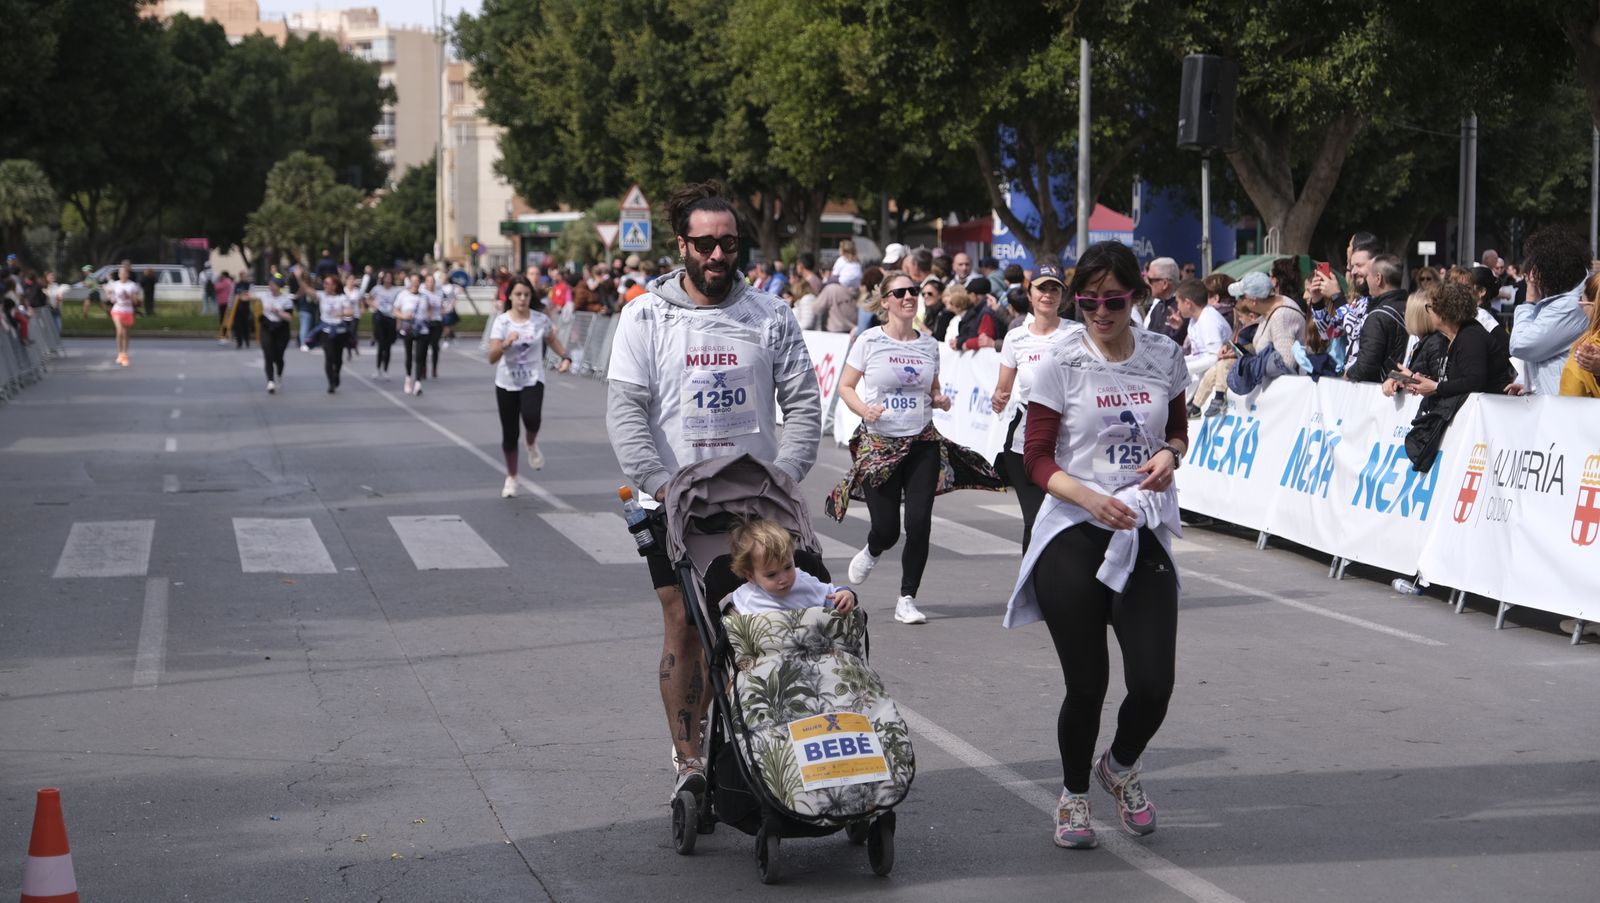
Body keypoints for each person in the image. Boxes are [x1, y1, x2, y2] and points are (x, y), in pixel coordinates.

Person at [605, 180, 820, 799]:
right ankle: (690, 761)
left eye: (729, 243)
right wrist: (659, 483)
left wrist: (788, 473)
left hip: (755, 504)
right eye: (706, 244)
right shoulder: (646, 314)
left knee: (774, 625)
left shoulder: (770, 316)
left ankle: (773, 749)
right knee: (687, 627)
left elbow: (803, 405)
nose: (719, 255)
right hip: (675, 505)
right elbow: (626, 411)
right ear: (682, 245)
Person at [1003, 240, 1189, 850]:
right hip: (1074, 529)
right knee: (1086, 683)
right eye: (1088, 302)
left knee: (1154, 682)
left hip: (1140, 524)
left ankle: (1121, 765)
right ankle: (1074, 795)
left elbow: (1180, 429)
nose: (1100, 313)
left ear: (1135, 296)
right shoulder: (1058, 359)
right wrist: (1087, 499)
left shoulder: (1163, 353)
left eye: (1112, 301)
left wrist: (1169, 455)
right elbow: (1033, 458)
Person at [827, 270, 1003, 625]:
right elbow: (846, 386)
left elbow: (931, 389)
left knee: (920, 522)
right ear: (886, 301)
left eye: (914, 291)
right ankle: (874, 547)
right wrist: (865, 410)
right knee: (888, 528)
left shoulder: (927, 344)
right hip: (880, 445)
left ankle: (907, 598)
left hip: (922, 441)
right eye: (901, 292)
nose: (910, 297)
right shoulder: (869, 341)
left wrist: (939, 400)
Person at [991, 263, 1082, 549]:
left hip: (1069, 440)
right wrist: (998, 398)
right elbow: (1003, 388)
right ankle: (1030, 587)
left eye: (1054, 288)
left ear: (1062, 297)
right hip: (1025, 441)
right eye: (1042, 288)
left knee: (1067, 520)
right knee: (1036, 518)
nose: (1048, 294)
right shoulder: (1016, 337)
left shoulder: (1077, 333)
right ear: (1029, 294)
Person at [487, 276, 572, 497]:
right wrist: (506, 343)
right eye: (518, 294)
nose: (522, 299)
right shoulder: (502, 322)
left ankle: (531, 444)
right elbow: (492, 357)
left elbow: (551, 339)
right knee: (510, 433)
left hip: (533, 378)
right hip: (506, 382)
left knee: (532, 417)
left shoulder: (539, 320)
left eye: (526, 295)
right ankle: (512, 478)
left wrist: (565, 356)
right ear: (510, 297)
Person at [1506, 225, 1590, 396]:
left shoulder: (1572, 305)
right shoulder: (1566, 297)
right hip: (1554, 401)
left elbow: (1522, 345)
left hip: (1563, 406)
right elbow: (1548, 352)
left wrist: (1528, 301)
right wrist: (1525, 382)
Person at [1396, 281, 1513, 400]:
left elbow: (1474, 381)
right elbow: (1452, 380)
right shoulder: (1447, 338)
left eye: (1429, 307)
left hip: (1487, 412)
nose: (1427, 312)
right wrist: (1425, 381)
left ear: (1443, 313)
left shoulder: (1471, 336)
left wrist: (1436, 387)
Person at [722, 518, 857, 616]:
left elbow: (831, 594)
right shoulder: (746, 597)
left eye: (787, 567)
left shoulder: (803, 581)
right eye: (771, 575)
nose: (784, 578)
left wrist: (846, 594)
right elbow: (726, 616)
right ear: (751, 576)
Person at [1344, 253, 1408, 382]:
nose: (1366, 280)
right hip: (1406, 389)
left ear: (1378, 278)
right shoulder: (1412, 309)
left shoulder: (1377, 317)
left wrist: (1348, 374)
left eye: (1368, 276)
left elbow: (1365, 368)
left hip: (1383, 394)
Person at [1174, 277, 1231, 407]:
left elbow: (1216, 357)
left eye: (1178, 302)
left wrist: (1185, 367)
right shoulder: (1194, 321)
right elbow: (1198, 355)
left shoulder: (1208, 321)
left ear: (1188, 303)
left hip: (1213, 383)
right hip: (1199, 379)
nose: (1177, 307)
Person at [1381, 290, 1447, 398]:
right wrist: (1395, 379)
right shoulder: (1423, 343)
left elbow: (1438, 383)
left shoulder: (1435, 343)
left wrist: (1410, 377)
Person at [1560, 272, 1600, 397]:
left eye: (1581, 300)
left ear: (1594, 305)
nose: (1580, 306)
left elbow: (1569, 406)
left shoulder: (1585, 354)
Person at [254, 277, 294, 394]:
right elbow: (251, 296)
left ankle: (279, 372)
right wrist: (243, 296)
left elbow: (290, 317)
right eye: (270, 285)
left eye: (273, 285)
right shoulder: (265, 295)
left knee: (278, 355)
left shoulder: (286, 299)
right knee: (268, 353)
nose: (271, 287)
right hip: (267, 327)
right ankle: (270, 381)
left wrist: (277, 311)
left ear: (279, 286)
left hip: (281, 329)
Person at [314, 275, 353, 394]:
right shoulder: (322, 295)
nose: (325, 285)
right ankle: (331, 383)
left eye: (327, 283)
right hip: (326, 331)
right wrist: (299, 278)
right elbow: (308, 290)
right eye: (324, 283)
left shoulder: (342, 297)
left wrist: (341, 313)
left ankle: (336, 374)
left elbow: (350, 311)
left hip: (339, 332)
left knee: (338, 359)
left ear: (334, 285)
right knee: (329, 357)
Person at [395, 273, 431, 397]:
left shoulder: (424, 297)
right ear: (409, 282)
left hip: (422, 329)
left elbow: (430, 309)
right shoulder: (403, 295)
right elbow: (395, 310)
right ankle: (408, 377)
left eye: (417, 281)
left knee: (420, 357)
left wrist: (427, 318)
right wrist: (403, 317)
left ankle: (418, 382)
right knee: (409, 355)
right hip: (408, 329)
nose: (415, 283)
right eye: (413, 280)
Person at [1141, 257, 1186, 344]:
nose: (1146, 283)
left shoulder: (1184, 306)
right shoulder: (1158, 306)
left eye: (1150, 280)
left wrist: (1179, 330)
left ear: (1164, 283)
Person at [104, 262, 140, 366]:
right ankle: (120, 353)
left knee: (126, 334)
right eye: (120, 273)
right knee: (119, 331)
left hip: (128, 310)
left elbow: (135, 301)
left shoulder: (132, 285)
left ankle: (124, 354)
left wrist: (128, 295)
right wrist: (108, 292)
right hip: (117, 309)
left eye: (124, 273)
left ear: (127, 274)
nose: (122, 275)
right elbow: (111, 299)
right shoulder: (115, 284)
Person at [369, 270, 400, 379]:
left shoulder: (396, 290)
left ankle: (386, 369)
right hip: (380, 317)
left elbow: (399, 303)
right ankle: (377, 369)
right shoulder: (377, 289)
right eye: (386, 277)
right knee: (381, 344)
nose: (388, 279)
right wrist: (373, 304)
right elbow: (369, 298)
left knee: (388, 346)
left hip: (391, 318)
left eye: (390, 277)